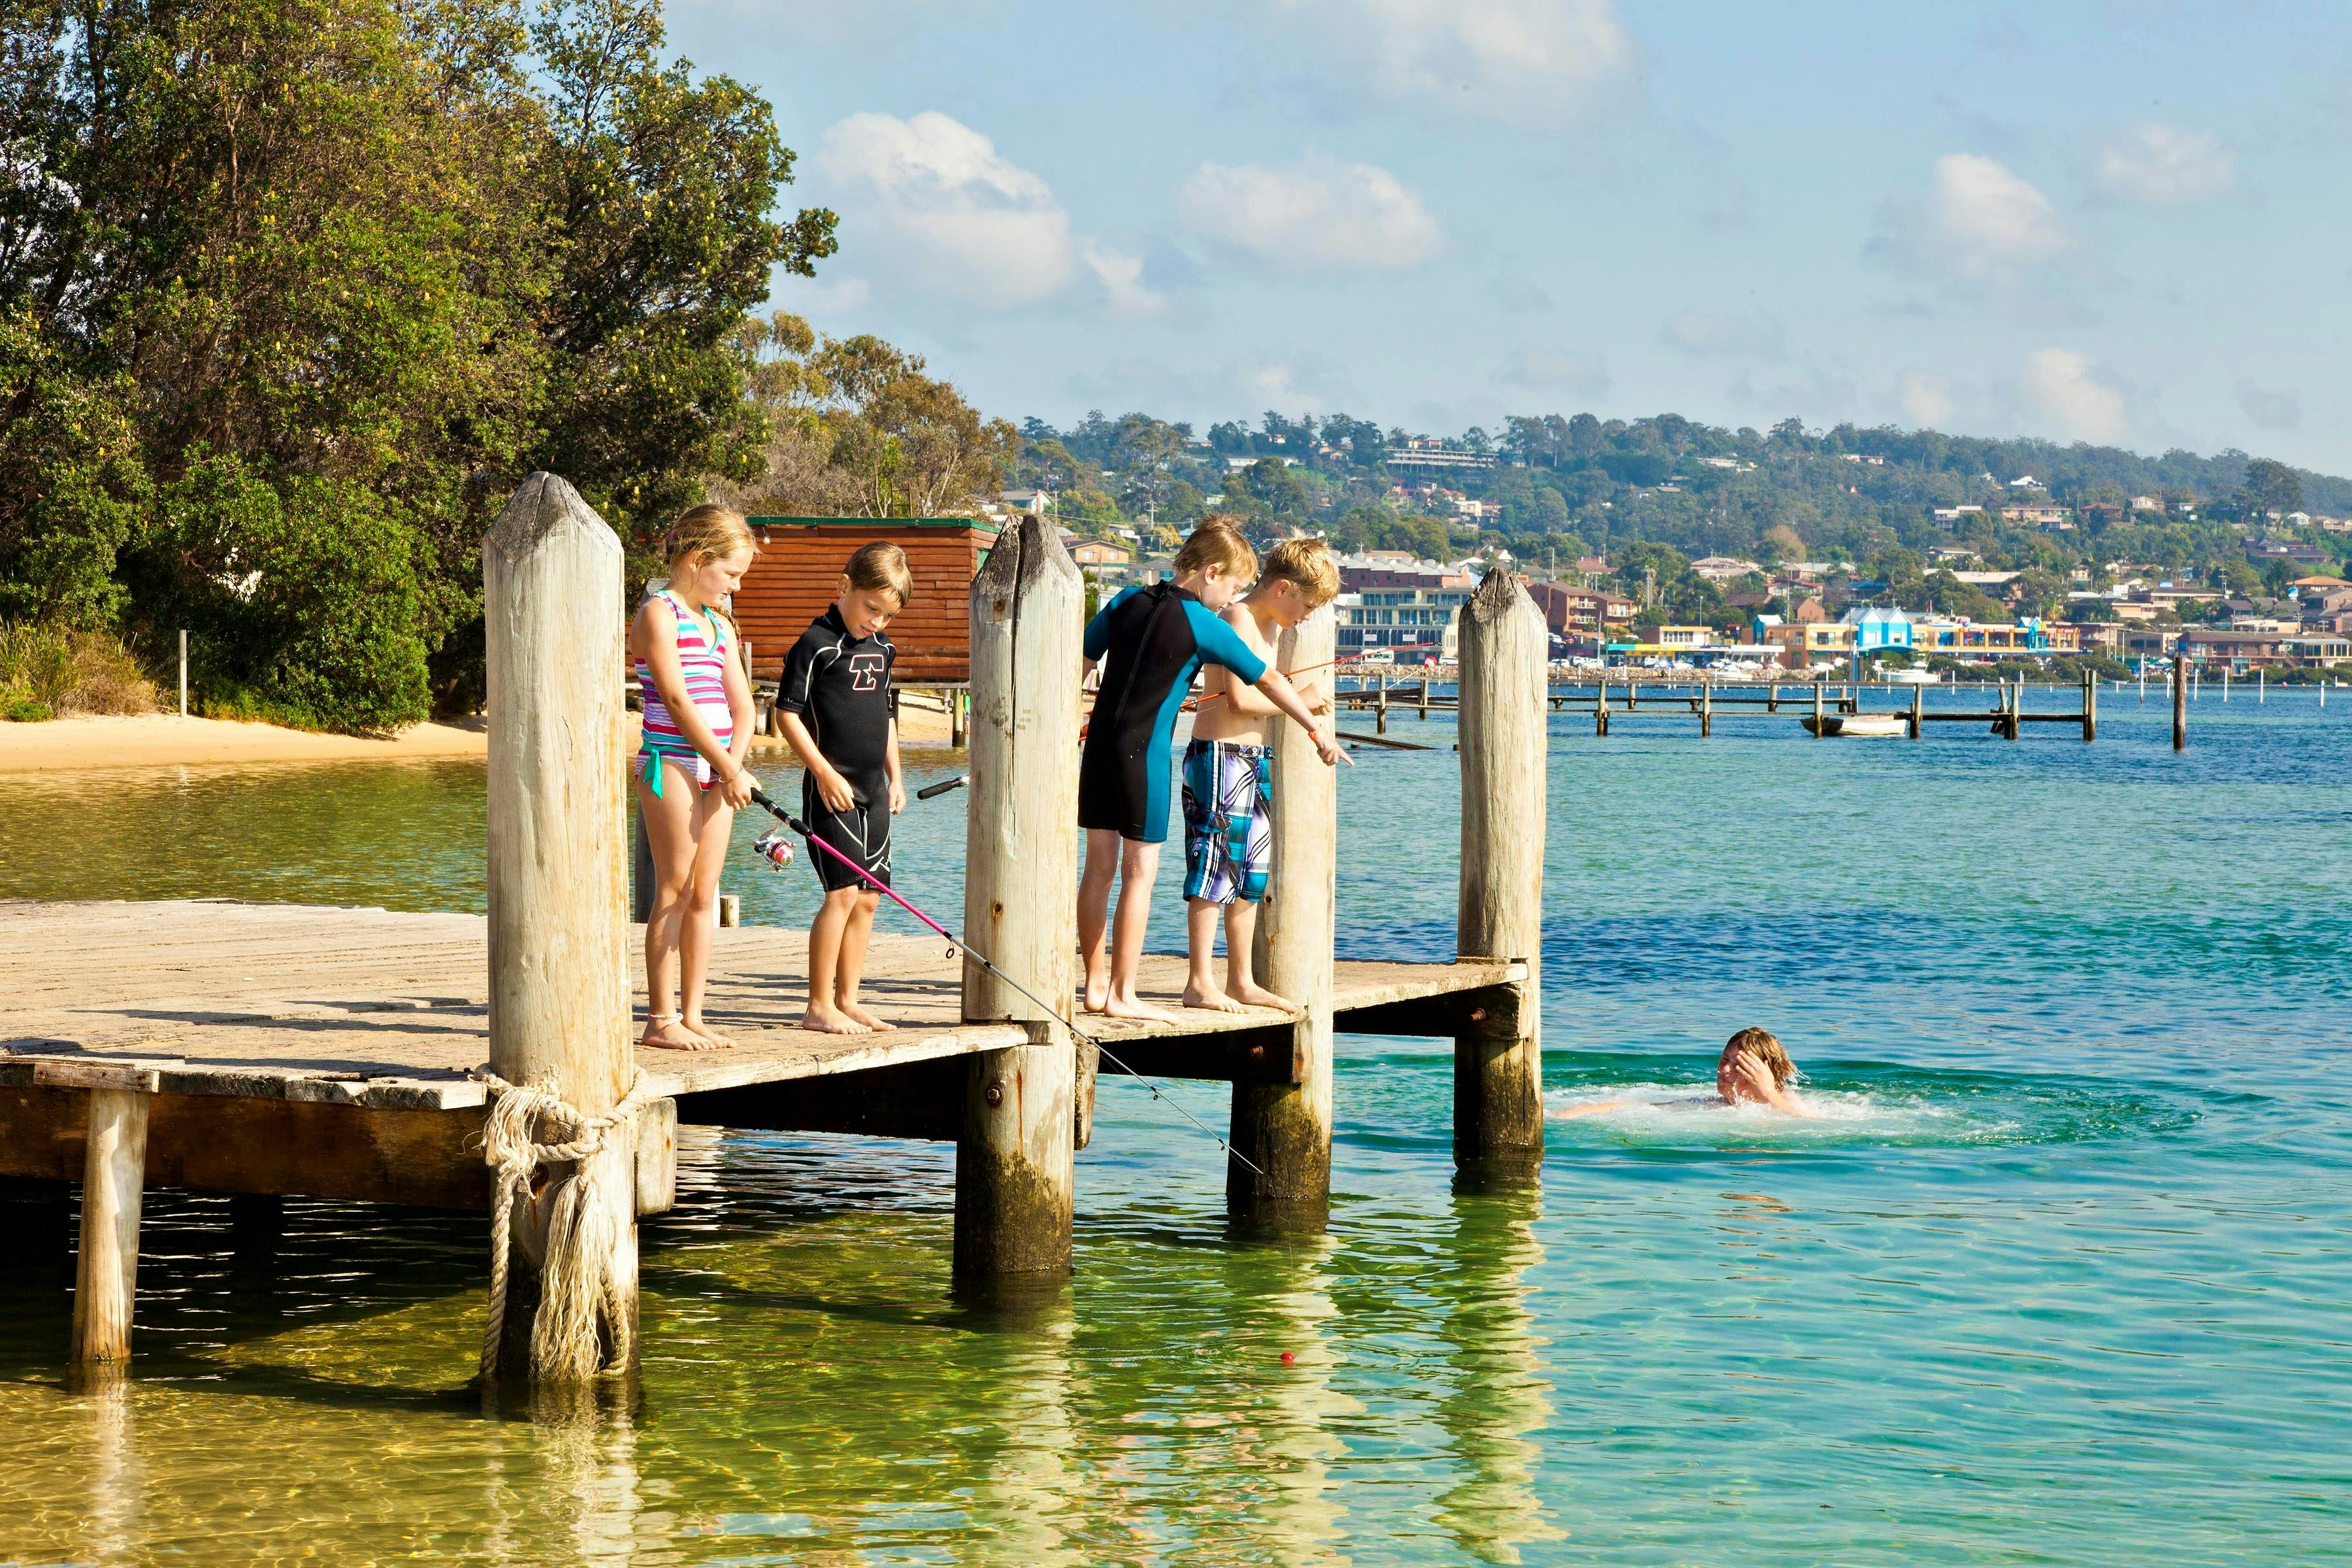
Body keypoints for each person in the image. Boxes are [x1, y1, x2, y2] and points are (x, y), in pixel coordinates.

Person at [1077, 519, 1347, 1021]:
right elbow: (1268, 681)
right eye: (1233, 585)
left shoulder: (1126, 600)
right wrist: (1315, 728)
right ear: (1211, 572)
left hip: (1098, 751)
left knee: (1099, 867)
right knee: (1139, 873)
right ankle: (1122, 994)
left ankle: (1095, 986)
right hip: (1145, 758)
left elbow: (1082, 660)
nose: (1232, 597)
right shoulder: (1204, 624)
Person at [1180, 536, 1340, 1013]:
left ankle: (1241, 981)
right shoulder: (1238, 618)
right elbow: (1239, 699)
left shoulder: (1272, 627)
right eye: (1307, 606)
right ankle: (1199, 982)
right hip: (1219, 757)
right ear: (1283, 588)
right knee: (1214, 869)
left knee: (1250, 875)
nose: (1307, 617)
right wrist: (1301, 701)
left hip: (1252, 758)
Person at [630, 504, 759, 1052]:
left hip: (719, 769)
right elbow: (678, 702)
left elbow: (745, 708)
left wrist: (733, 764)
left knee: (705, 893)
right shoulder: (658, 614)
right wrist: (729, 767)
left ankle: (695, 1014)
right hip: (672, 762)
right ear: (697, 559)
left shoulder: (719, 624)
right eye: (730, 574)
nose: (735, 586)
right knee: (675, 888)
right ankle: (660, 1019)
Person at [774, 541, 909, 1035]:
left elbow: (886, 716)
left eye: (888, 615)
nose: (878, 622)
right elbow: (786, 715)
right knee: (842, 893)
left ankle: (848, 1000)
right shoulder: (816, 644)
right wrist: (823, 772)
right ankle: (818, 1005)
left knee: (869, 897)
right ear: (844, 586)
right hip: (832, 791)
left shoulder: (883, 649)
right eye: (872, 608)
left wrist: (896, 777)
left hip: (874, 791)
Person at [1556, 1027, 1815, 1118]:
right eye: (1724, 1060)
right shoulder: (1718, 1104)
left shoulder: (1786, 1104)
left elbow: (1814, 1126)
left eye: (1738, 1065)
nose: (1724, 1070)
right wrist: (1575, 1112)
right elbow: (1643, 1107)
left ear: (1763, 1072)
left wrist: (1769, 1093)